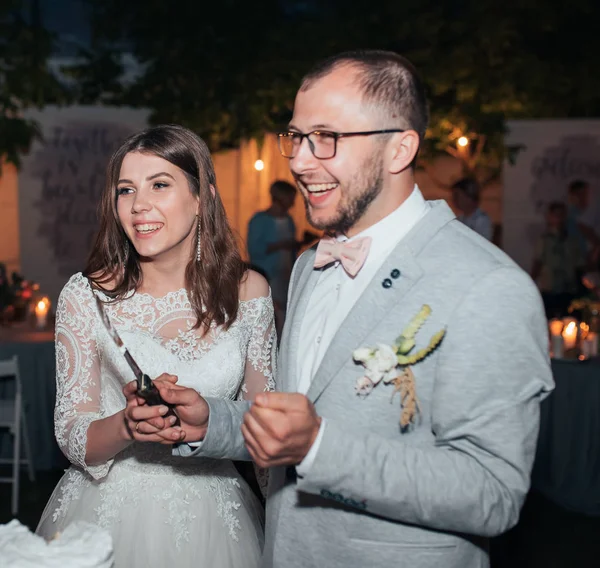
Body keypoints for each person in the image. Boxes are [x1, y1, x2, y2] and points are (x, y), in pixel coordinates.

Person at [132, 51, 554, 568]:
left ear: (400, 148)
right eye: (297, 137)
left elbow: (492, 492)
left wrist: (320, 448)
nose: (302, 161)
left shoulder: (487, 286)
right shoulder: (312, 265)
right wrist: (211, 422)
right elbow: (296, 415)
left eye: (327, 138)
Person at [36, 125, 275, 568]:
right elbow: (72, 435)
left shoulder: (249, 291)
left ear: (201, 197)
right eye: (126, 190)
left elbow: (266, 430)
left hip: (219, 519)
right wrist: (126, 426)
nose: (139, 205)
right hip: (108, 515)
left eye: (159, 185)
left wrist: (286, 525)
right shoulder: (86, 296)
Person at [247, 180, 299, 335]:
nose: (293, 202)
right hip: (268, 276)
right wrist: (280, 245)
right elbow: (254, 250)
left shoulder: (289, 220)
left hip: (286, 275)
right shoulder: (259, 220)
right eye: (290, 197)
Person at [531, 201, 585, 317]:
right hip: (550, 290)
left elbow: (579, 266)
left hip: (569, 290)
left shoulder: (572, 241)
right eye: (555, 215)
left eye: (561, 214)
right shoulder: (544, 240)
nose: (558, 218)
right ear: (549, 217)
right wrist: (531, 283)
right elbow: (537, 262)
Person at [452, 176, 493, 240]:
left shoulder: (481, 220)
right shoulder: (460, 218)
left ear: (469, 198)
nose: (454, 200)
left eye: (457, 196)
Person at [567, 179, 600, 258]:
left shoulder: (591, 214)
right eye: (579, 194)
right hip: (577, 257)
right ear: (572, 195)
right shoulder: (570, 216)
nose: (583, 197)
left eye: (585, 194)